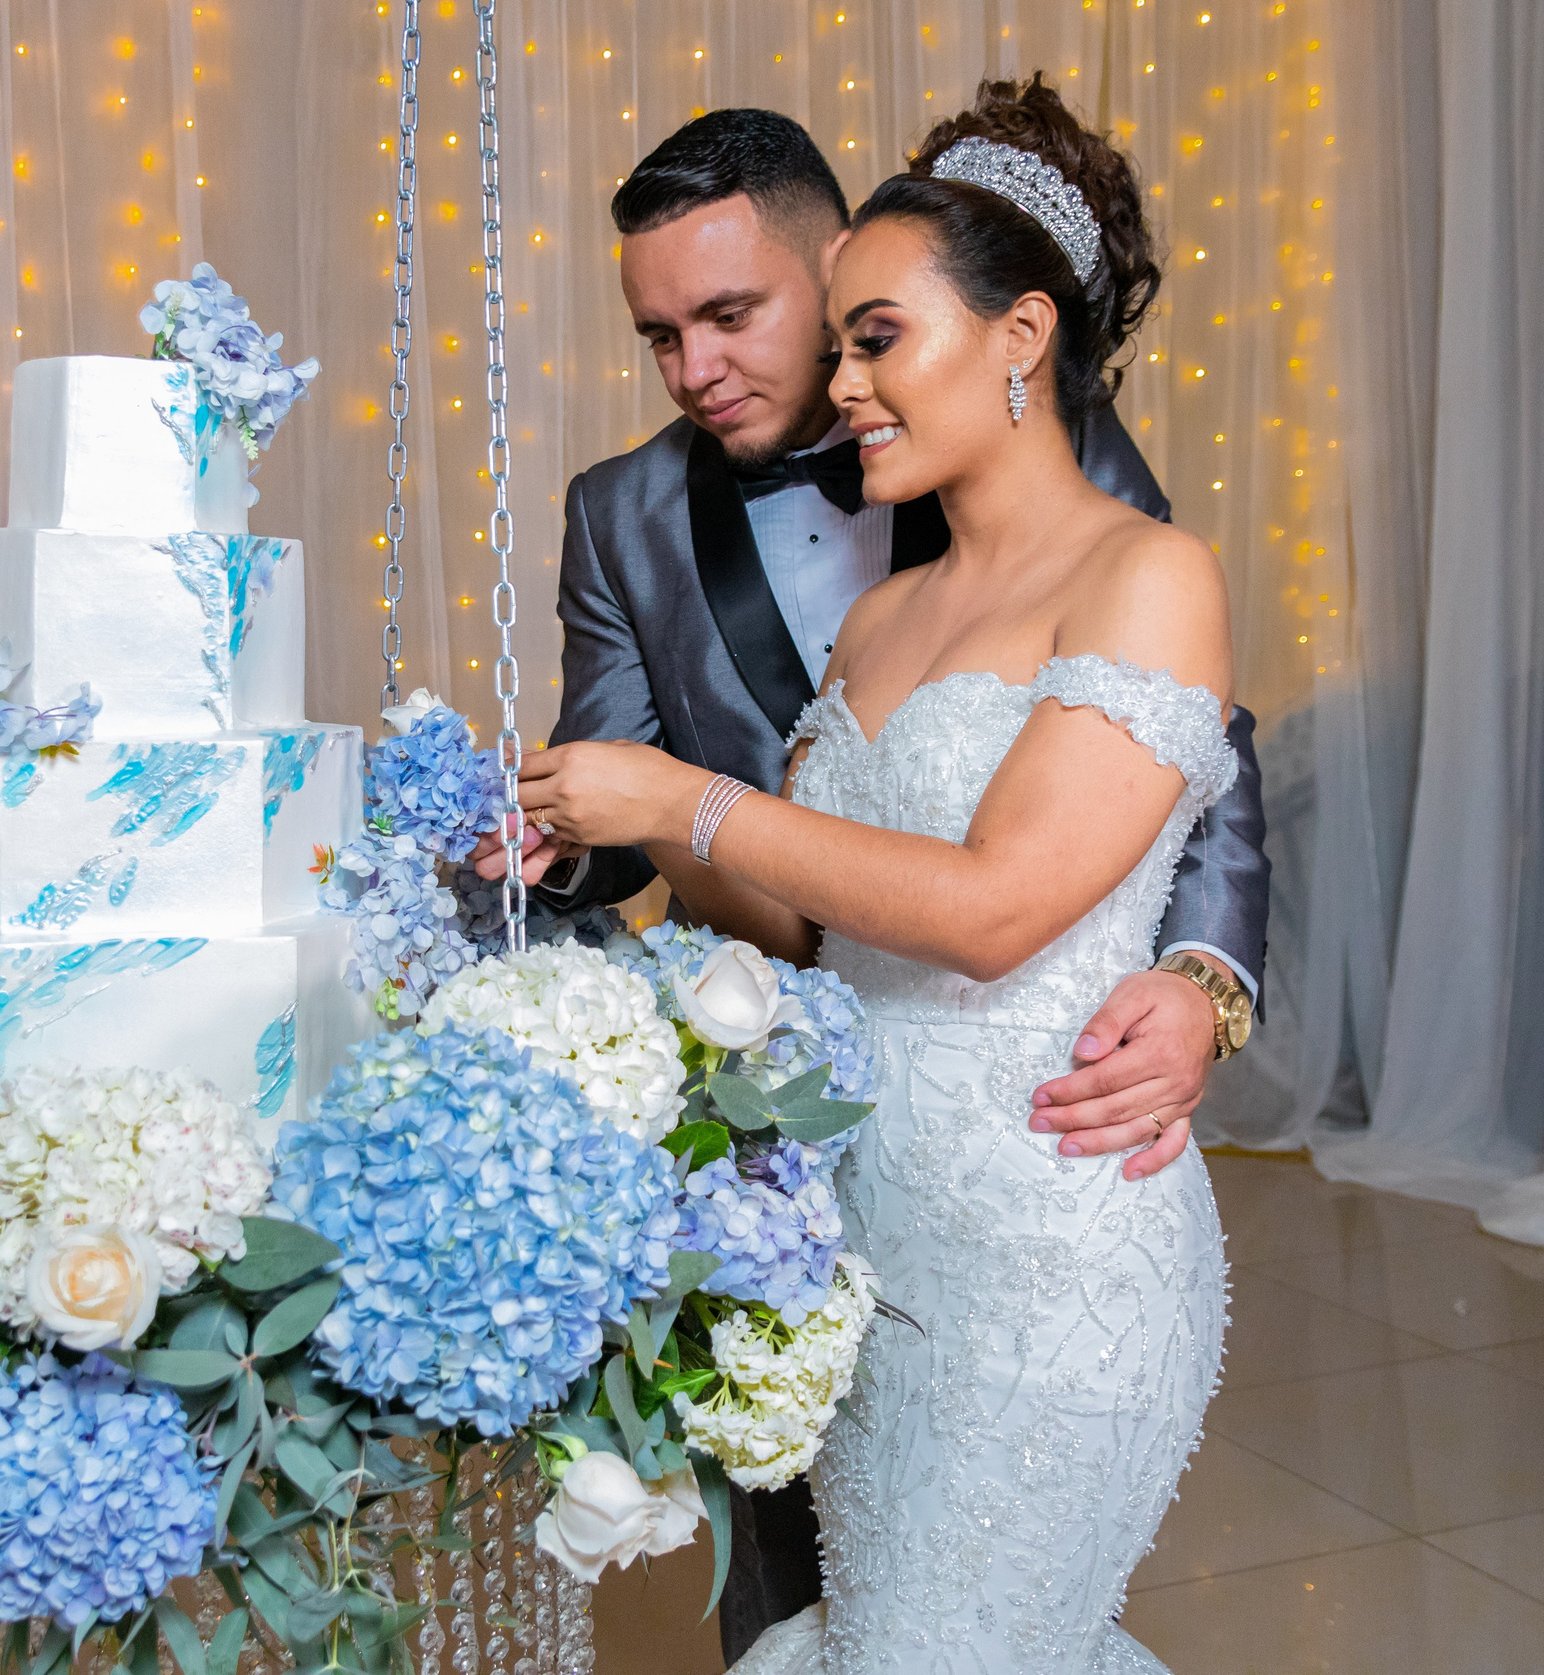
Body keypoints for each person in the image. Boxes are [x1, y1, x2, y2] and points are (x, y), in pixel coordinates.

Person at [472, 103, 1265, 1663]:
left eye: (743, 317)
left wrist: (1206, 982)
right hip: (838, 1224)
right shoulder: (811, 598)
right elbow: (794, 915)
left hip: (1042, 1220)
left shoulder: (1120, 535)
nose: (705, 367)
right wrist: (580, 831)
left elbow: (1156, 806)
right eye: (657, 336)